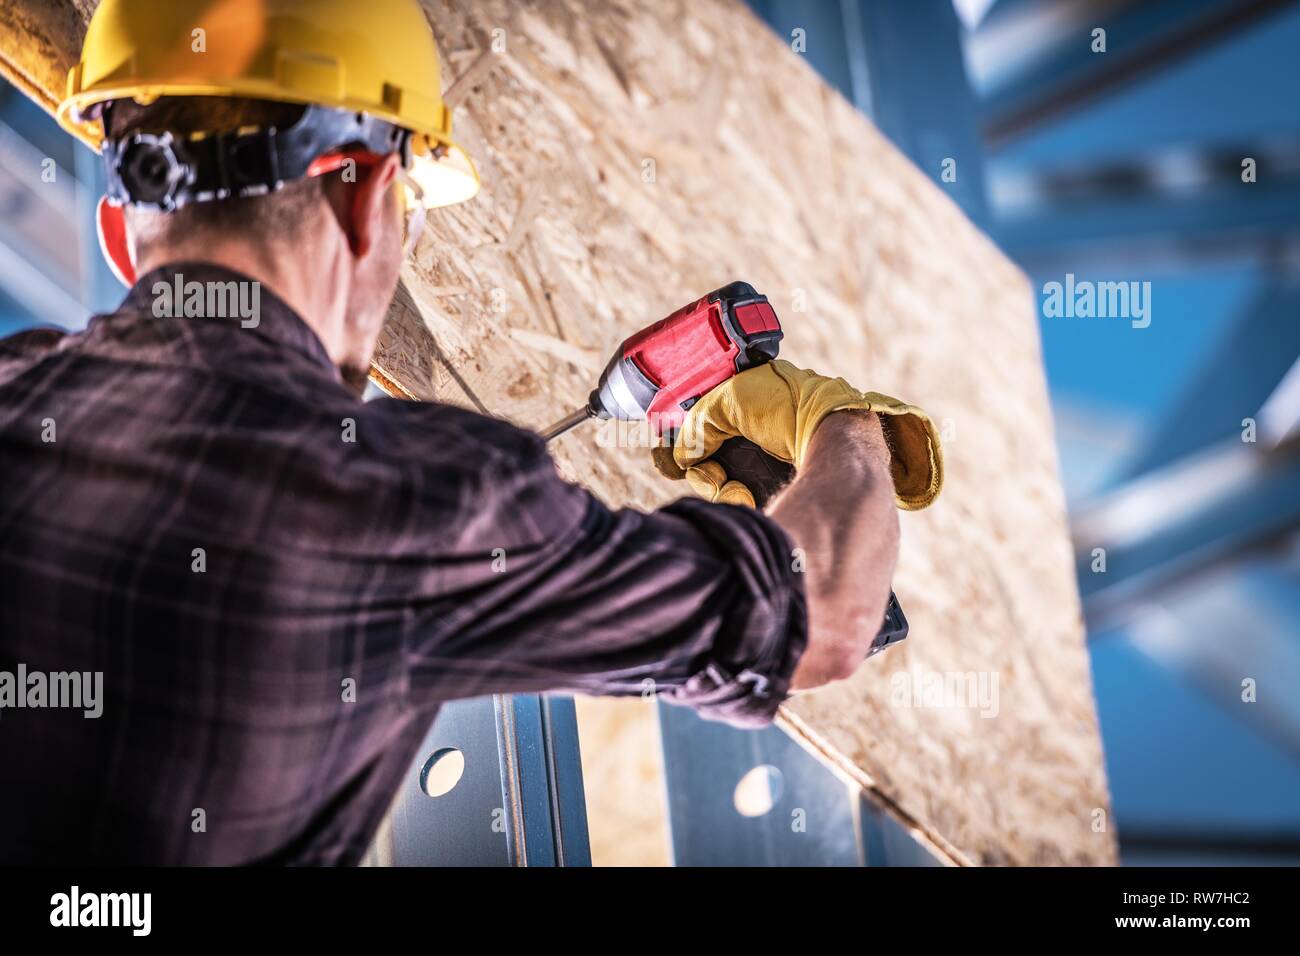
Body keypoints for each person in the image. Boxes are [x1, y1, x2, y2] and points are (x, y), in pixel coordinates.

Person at [0, 0, 942, 864]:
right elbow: (822, 617)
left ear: (121, 236)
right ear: (365, 201)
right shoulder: (412, 500)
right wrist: (839, 424)